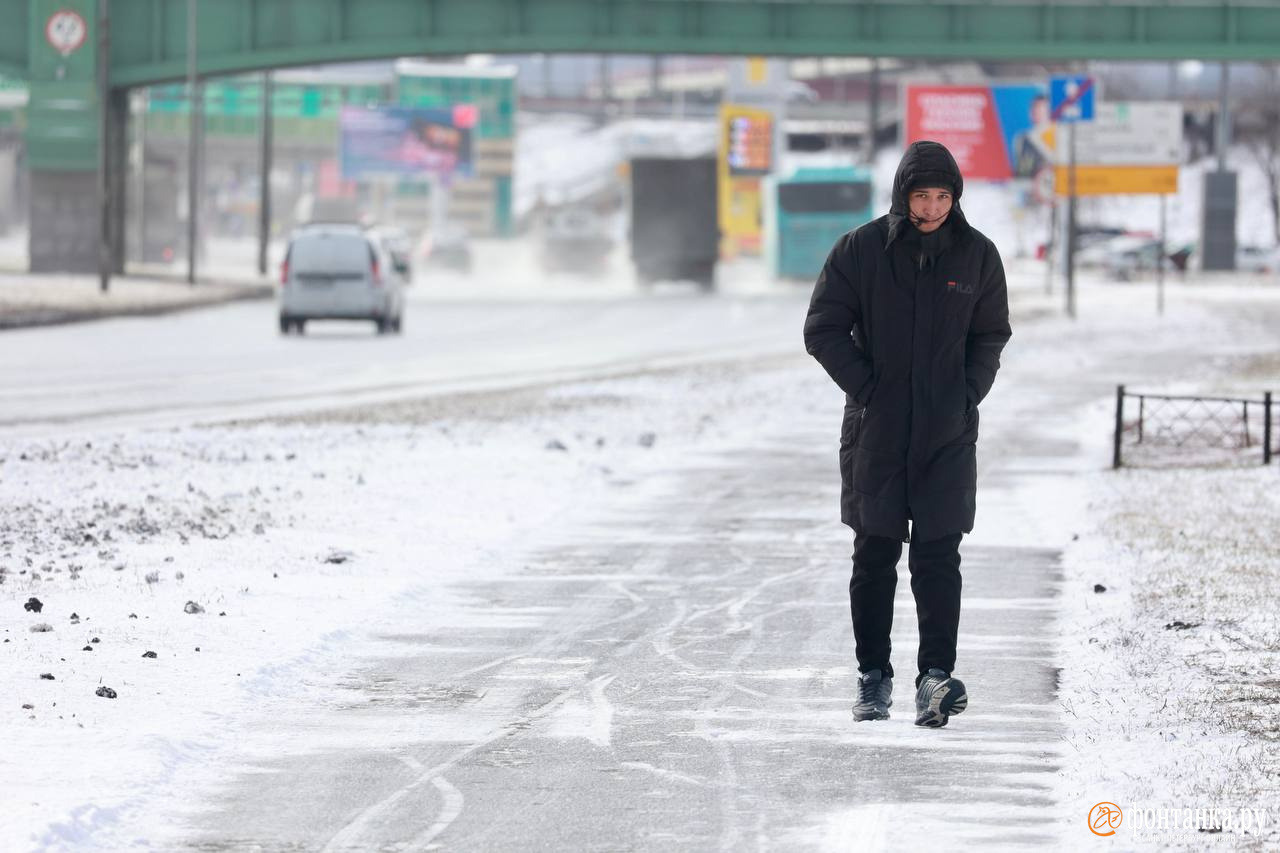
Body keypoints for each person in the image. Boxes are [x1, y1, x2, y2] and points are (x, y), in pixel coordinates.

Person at [802, 140, 1011, 728]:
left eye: (944, 195)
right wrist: (867, 389)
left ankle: (935, 678)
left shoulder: (977, 256)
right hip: (878, 429)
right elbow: (823, 328)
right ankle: (873, 678)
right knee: (874, 553)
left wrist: (967, 393)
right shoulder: (861, 250)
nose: (933, 207)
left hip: (947, 431)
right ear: (902, 195)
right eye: (923, 195)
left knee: (940, 554)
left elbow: (990, 335)